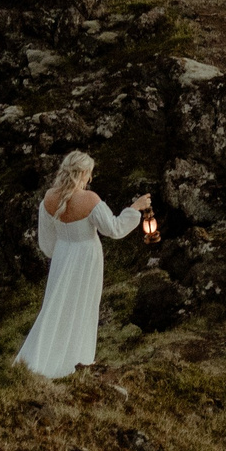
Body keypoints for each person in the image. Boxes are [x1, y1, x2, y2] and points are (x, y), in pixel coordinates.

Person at [15, 150, 150, 379]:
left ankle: (39, 360)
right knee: (83, 307)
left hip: (62, 257)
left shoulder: (48, 198)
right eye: (90, 174)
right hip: (87, 258)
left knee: (55, 308)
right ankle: (76, 361)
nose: (90, 179)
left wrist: (62, 253)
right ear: (84, 173)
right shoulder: (90, 199)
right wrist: (134, 208)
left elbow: (46, 244)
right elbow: (114, 229)